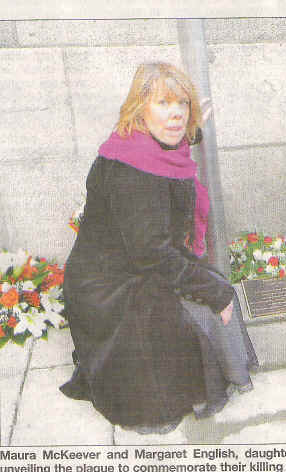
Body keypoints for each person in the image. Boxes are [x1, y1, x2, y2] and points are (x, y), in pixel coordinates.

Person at [60, 62, 258, 433]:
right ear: (139, 109)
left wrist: (191, 131)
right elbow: (151, 253)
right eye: (164, 103)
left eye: (182, 103)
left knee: (209, 296)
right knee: (200, 307)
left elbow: (168, 168)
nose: (177, 113)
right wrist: (213, 292)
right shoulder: (131, 171)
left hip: (133, 264)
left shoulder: (144, 146)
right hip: (109, 286)